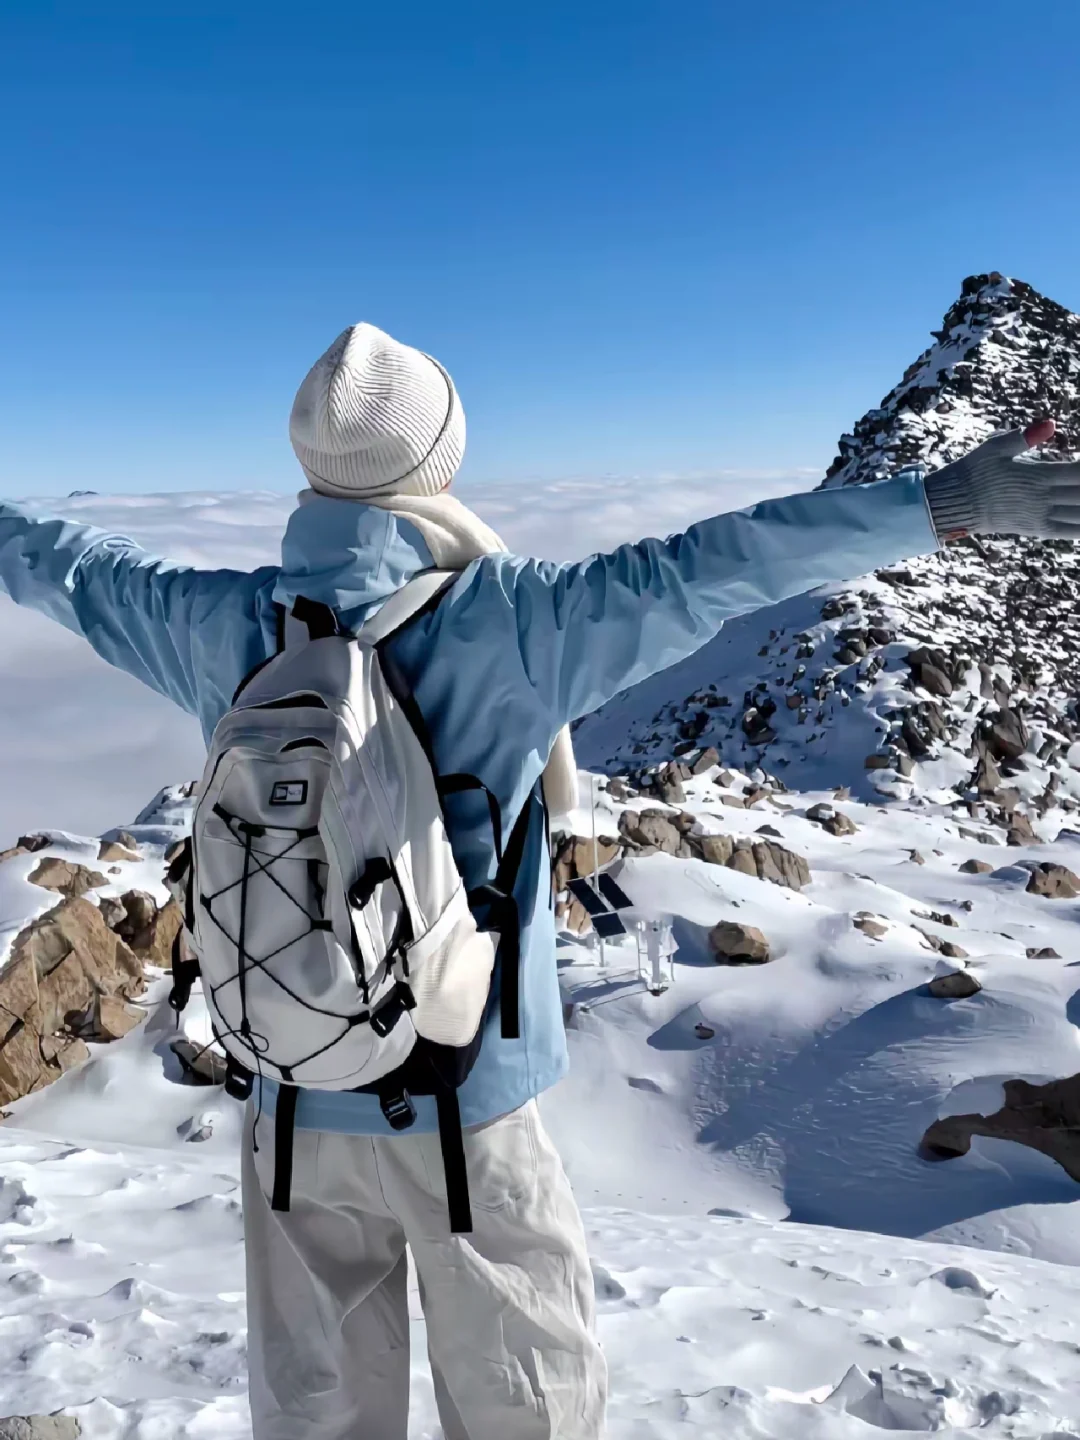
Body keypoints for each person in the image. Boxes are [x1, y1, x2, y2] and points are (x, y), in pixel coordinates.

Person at [0, 322, 1076, 1440]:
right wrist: (939, 507)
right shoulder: (515, 623)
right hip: (462, 1104)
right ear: (440, 458)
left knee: (315, 1413)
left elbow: (69, 567)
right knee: (527, 1404)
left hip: (287, 1093)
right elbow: (719, 563)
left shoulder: (222, 626)